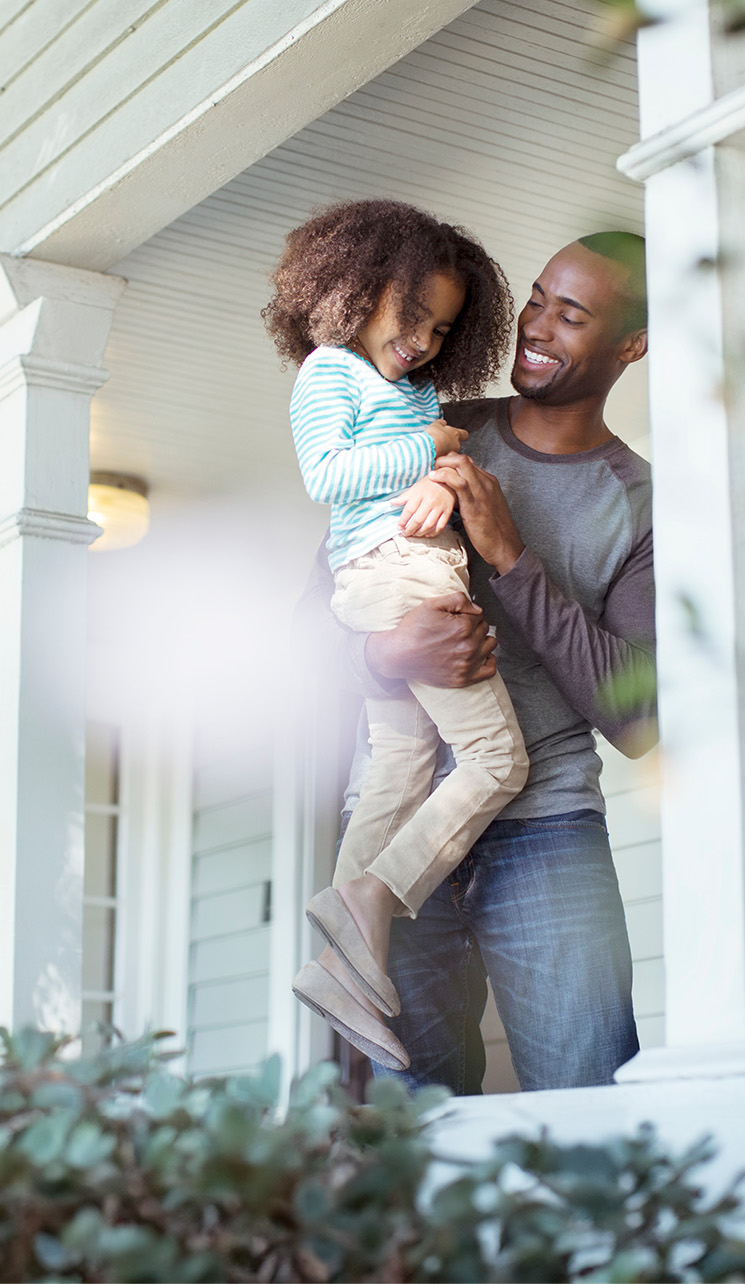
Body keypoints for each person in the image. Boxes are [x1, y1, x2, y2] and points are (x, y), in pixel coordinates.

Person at [301, 231, 655, 1093]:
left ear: (629, 346)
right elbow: (311, 626)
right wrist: (383, 657)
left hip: (546, 833)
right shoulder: (427, 422)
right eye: (535, 298)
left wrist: (512, 561)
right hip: (394, 812)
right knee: (405, 1134)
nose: (535, 326)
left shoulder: (639, 503)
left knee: (586, 1114)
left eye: (569, 316)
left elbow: (641, 720)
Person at [264, 199, 530, 1072]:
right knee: (496, 761)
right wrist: (435, 449)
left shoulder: (409, 390)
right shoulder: (329, 372)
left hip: (412, 565)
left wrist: (445, 473)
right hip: (392, 577)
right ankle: (371, 895)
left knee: (401, 764)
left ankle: (344, 965)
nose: (420, 342)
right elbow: (327, 476)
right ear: (354, 290)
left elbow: (418, 474)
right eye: (409, 316)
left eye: (440, 328)